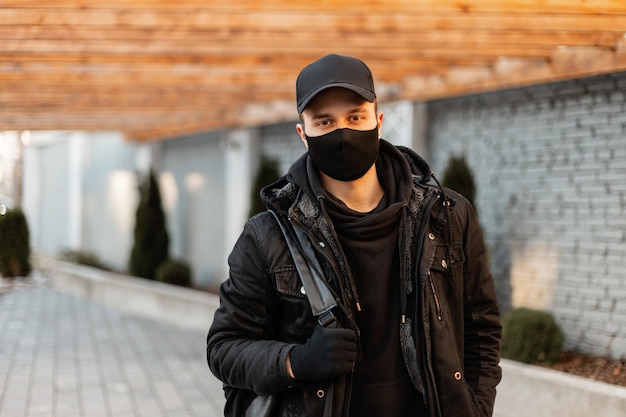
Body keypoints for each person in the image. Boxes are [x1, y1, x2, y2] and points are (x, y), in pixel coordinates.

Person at [207, 53, 502, 417]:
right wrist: (295, 361)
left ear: (378, 120)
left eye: (355, 116)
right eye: (324, 121)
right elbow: (224, 349)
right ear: (303, 134)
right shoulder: (268, 236)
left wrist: (475, 409)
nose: (342, 132)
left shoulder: (447, 216)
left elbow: (482, 331)